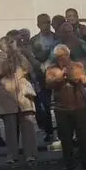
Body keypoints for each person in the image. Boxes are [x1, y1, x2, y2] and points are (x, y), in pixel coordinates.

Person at [44, 44, 86, 170]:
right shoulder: (51, 69)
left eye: (64, 55)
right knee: (65, 137)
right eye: (59, 56)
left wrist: (70, 75)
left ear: (69, 54)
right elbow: (48, 83)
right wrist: (60, 76)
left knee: (83, 135)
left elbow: (84, 79)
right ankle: (69, 162)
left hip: (79, 105)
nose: (62, 58)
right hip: (61, 108)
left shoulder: (78, 65)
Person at [0, 33, 38, 167]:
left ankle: (30, 153)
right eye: (7, 44)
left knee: (28, 124)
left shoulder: (20, 55)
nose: (10, 46)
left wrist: (19, 55)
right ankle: (12, 154)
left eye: (12, 43)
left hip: (23, 94)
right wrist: (7, 59)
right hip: (7, 94)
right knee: (10, 127)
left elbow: (28, 68)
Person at [30, 13, 58, 143]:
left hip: (56, 73)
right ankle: (48, 131)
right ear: (38, 25)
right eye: (43, 23)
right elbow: (32, 57)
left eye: (48, 22)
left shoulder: (57, 37)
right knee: (44, 105)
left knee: (59, 103)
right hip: (41, 75)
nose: (46, 25)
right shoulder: (34, 40)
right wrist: (40, 66)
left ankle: (61, 130)